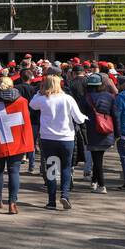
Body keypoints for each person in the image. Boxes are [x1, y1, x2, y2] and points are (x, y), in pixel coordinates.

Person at [29, 74, 86, 211]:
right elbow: (79, 119)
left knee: (51, 169)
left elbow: (32, 104)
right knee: (66, 167)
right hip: (66, 138)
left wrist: (39, 91)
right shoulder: (68, 99)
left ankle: (51, 200)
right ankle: (65, 194)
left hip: (48, 139)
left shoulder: (42, 99)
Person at [0, 76, 30, 214]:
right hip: (16, 142)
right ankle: (12, 202)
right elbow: (25, 124)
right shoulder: (22, 102)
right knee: (14, 171)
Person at [78, 73, 116, 194]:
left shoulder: (85, 98)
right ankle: (94, 181)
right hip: (106, 130)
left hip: (91, 131)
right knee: (98, 157)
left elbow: (80, 117)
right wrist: (117, 133)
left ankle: (101, 185)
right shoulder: (110, 97)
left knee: (97, 159)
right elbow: (115, 115)